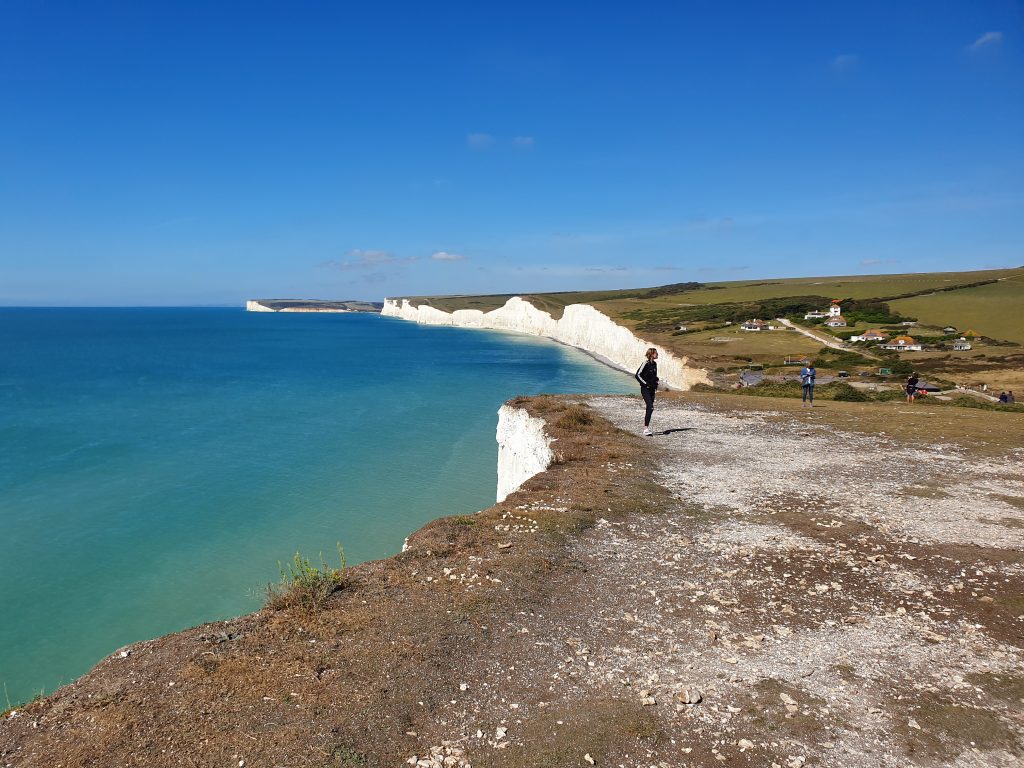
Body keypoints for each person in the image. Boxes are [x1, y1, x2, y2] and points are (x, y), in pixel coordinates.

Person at [635, 348, 659, 436]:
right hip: (645, 389)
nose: (657, 354)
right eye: (656, 353)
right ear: (651, 354)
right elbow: (637, 375)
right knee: (650, 406)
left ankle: (646, 427)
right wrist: (646, 384)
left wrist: (656, 381)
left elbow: (653, 376)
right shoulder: (645, 363)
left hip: (652, 389)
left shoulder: (655, 364)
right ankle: (645, 429)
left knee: (650, 408)